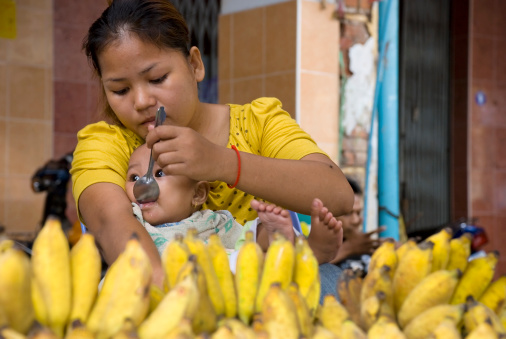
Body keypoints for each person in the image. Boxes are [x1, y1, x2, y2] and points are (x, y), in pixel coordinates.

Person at [70, 0, 353, 289]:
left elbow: (338, 195)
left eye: (157, 79)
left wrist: (222, 163)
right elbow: (110, 220)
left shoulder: (259, 123)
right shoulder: (105, 144)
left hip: (262, 295)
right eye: (120, 90)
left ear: (195, 65)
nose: (141, 102)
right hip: (163, 298)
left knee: (326, 278)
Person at [126, 143, 341, 262]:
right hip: (172, 287)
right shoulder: (133, 220)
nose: (142, 185)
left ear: (198, 195)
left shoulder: (212, 222)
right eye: (134, 177)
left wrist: (262, 233)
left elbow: (242, 242)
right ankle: (296, 255)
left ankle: (284, 241)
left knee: (251, 243)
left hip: (230, 278)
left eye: (160, 172)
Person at [330, 176, 385, 274]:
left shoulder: (366, 247)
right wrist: (349, 248)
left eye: (359, 213)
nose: (355, 220)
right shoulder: (316, 248)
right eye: (348, 214)